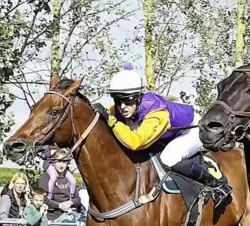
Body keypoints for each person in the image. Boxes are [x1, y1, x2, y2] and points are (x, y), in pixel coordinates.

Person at [91, 63, 232, 208]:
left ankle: (217, 185)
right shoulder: (125, 107)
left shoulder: (157, 113)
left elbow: (136, 142)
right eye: (118, 100)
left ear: (138, 98)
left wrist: (111, 121)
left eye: (127, 101)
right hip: (169, 133)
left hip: (192, 129)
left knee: (169, 158)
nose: (122, 107)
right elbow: (106, 115)